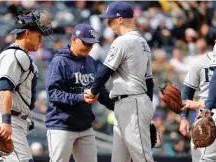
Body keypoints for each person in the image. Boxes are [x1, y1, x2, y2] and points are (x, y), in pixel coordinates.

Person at [85, 1, 154, 162]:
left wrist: (93, 91)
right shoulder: (143, 43)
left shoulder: (123, 41)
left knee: (143, 158)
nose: (107, 23)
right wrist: (148, 110)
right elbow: (149, 82)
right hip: (131, 104)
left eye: (110, 19)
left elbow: (104, 71)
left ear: (120, 19)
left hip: (132, 104)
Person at [0, 10, 54, 162]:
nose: (41, 40)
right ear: (27, 33)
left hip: (13, 120)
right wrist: (6, 123)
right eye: (39, 35)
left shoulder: (20, 55)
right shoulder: (14, 55)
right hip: (8, 121)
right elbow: (4, 90)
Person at [45, 23, 114, 162]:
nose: (89, 47)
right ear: (74, 39)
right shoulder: (59, 61)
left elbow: (99, 89)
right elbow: (53, 94)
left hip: (85, 126)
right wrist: (80, 97)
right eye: (86, 43)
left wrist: (119, 108)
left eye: (91, 44)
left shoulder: (90, 61)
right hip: (61, 125)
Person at [179, 39, 216, 162]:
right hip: (203, 115)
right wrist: (184, 118)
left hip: (208, 111)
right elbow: (187, 92)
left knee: (206, 159)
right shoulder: (201, 62)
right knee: (197, 157)